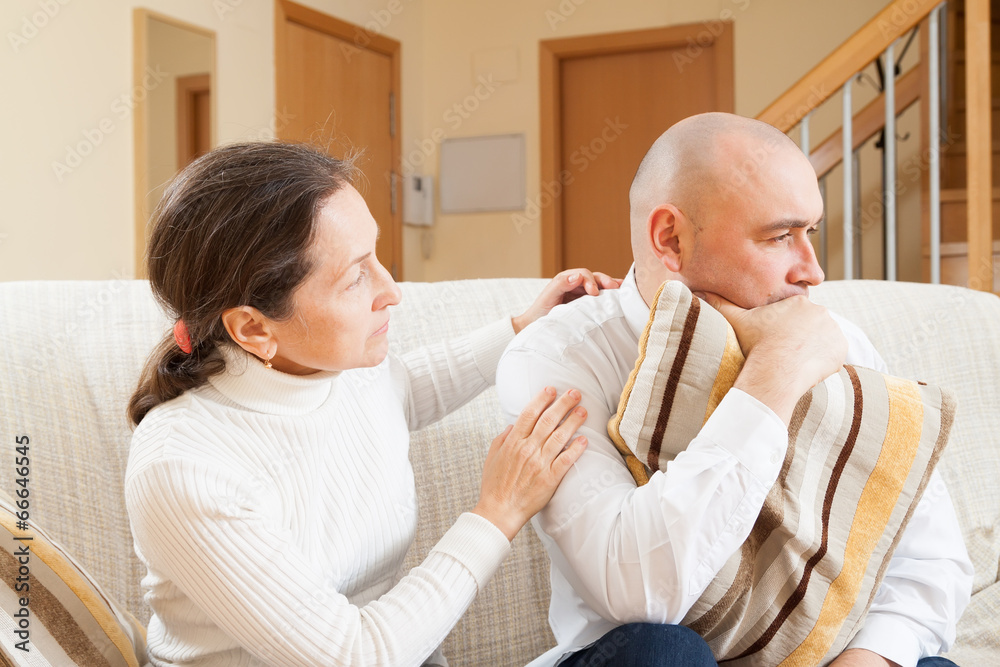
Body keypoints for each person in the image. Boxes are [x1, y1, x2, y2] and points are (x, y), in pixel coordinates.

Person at [496, 112, 974, 667]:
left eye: (812, 233)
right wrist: (776, 373)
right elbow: (640, 591)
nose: (813, 272)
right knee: (663, 651)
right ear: (670, 239)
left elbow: (933, 563)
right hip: (646, 656)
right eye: (780, 236)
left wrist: (865, 660)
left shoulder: (836, 340)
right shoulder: (559, 357)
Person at [123, 141, 622, 666]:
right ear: (252, 328)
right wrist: (500, 510)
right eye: (355, 276)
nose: (391, 290)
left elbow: (405, 388)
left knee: (655, 646)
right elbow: (355, 656)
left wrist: (526, 326)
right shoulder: (183, 469)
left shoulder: (341, 368)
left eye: (375, 256)